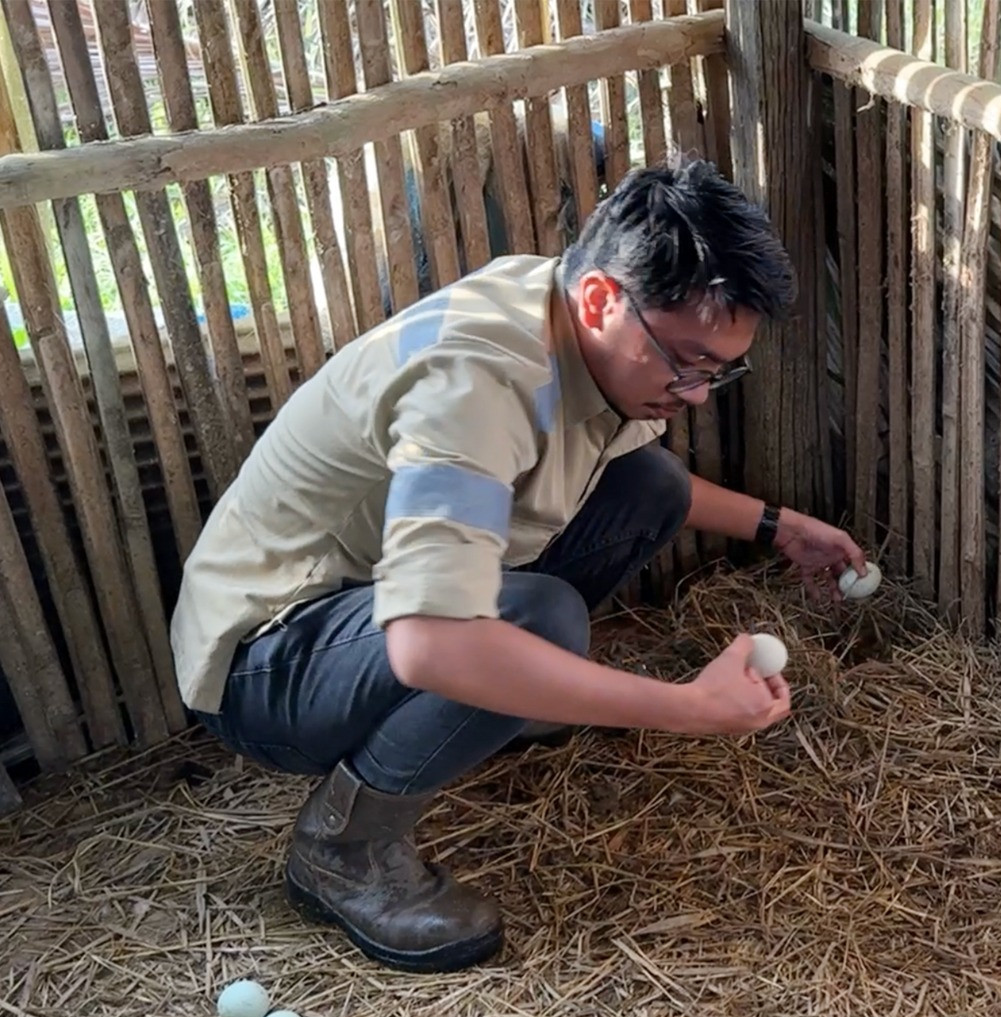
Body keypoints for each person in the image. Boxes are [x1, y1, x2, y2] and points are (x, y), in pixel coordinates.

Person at [169, 155, 867, 974]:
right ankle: (344, 849)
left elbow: (647, 485)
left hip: (363, 608)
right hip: (269, 662)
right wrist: (685, 708)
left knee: (648, 483)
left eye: (718, 371)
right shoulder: (477, 379)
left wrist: (777, 525)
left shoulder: (567, 312)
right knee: (538, 620)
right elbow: (429, 645)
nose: (698, 394)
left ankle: (495, 704)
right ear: (605, 298)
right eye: (686, 362)